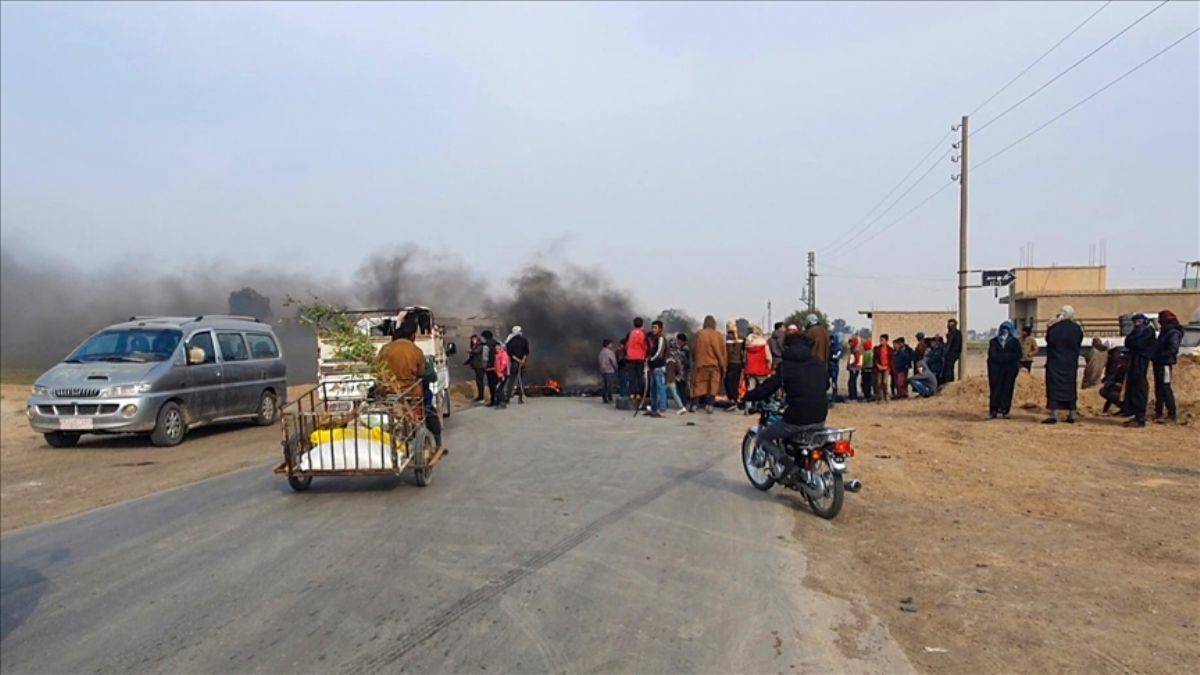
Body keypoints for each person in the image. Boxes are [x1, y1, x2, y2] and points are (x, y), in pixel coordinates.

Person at [743, 332, 829, 465]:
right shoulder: (820, 364)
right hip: (820, 417)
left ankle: (786, 464)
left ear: (786, 347)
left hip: (796, 419)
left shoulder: (785, 367)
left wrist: (746, 396)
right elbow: (826, 385)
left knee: (763, 437)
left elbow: (766, 389)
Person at [1043, 306, 1084, 424]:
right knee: (1070, 387)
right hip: (1070, 363)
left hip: (1055, 363)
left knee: (1054, 387)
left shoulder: (1054, 328)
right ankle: (1072, 414)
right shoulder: (1076, 328)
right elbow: (1079, 342)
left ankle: (1054, 414)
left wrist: (1050, 325)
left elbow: (1049, 340)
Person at [1122, 313, 1156, 427]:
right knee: (1133, 388)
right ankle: (1135, 414)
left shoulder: (1148, 331)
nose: (1136, 323)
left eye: (1139, 321)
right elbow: (1127, 342)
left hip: (1141, 362)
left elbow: (1139, 344)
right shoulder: (1136, 332)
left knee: (1140, 388)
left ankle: (1140, 417)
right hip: (1134, 362)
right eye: (1135, 321)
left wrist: (1134, 343)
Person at [1151, 310, 1184, 424]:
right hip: (1158, 363)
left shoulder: (1173, 333)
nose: (1159, 323)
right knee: (1159, 389)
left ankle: (1171, 414)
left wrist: (1160, 355)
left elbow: (1172, 349)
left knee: (1165, 388)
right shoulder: (1165, 332)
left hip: (1165, 363)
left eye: (1161, 320)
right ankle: (1159, 412)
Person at [690, 315, 728, 414]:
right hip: (714, 366)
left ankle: (694, 405)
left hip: (701, 364)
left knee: (698, 385)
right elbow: (722, 352)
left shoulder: (699, 334)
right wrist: (723, 365)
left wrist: (695, 360)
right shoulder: (718, 335)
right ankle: (710, 405)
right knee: (713, 386)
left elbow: (693, 349)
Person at [986, 320, 1022, 419]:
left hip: (1010, 370)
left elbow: (1018, 355)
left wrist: (1003, 357)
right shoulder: (994, 341)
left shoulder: (1014, 342)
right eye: (1003, 329)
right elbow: (993, 355)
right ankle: (993, 410)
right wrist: (1006, 357)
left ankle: (1005, 410)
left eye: (1007, 329)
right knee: (995, 390)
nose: (1005, 331)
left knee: (1007, 389)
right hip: (996, 371)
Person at [645, 320, 668, 418]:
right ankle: (654, 409)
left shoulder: (661, 338)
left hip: (659, 367)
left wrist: (651, 358)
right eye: (652, 327)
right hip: (653, 367)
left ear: (660, 329)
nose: (653, 329)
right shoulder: (654, 339)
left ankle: (662, 410)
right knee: (653, 389)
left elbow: (659, 352)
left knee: (660, 389)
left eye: (655, 327)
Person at [504, 326, 530, 405]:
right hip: (522, 363)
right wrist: (522, 360)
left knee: (511, 381)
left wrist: (518, 360)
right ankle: (520, 399)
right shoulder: (524, 340)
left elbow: (510, 354)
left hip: (514, 363)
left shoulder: (510, 341)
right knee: (521, 381)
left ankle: (507, 398)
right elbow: (526, 352)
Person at [1099, 345, 1129, 415]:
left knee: (1110, 392)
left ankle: (1125, 408)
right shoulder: (1119, 365)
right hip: (1116, 386)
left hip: (1124, 389)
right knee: (1107, 391)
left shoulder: (1125, 366)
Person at [744, 325, 773, 393]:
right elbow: (768, 358)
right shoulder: (764, 345)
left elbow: (745, 359)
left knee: (750, 389)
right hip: (762, 370)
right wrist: (769, 367)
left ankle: (749, 403)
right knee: (763, 390)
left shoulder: (748, 345)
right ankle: (761, 403)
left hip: (750, 370)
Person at [625, 318, 648, 402]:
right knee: (639, 376)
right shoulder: (643, 334)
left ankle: (632, 394)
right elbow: (645, 346)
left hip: (631, 357)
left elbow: (627, 345)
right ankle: (638, 394)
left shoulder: (630, 333)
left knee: (632, 376)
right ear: (642, 324)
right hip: (640, 358)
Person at [664, 338, 688, 415]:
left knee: (663, 392)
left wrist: (679, 377)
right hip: (671, 377)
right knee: (669, 393)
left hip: (669, 378)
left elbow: (679, 367)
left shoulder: (670, 355)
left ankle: (681, 407)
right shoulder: (677, 354)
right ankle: (660, 406)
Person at [724, 322, 745, 409]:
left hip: (731, 362)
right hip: (739, 363)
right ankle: (736, 398)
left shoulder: (728, 337)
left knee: (728, 381)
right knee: (736, 382)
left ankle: (732, 399)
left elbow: (728, 352)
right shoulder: (741, 337)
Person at [481, 330, 503, 407]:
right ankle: (500, 400)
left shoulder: (486, 345)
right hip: (499, 367)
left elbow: (485, 358)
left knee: (491, 384)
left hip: (490, 368)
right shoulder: (498, 343)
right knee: (498, 383)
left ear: (485, 337)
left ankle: (493, 400)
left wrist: (484, 366)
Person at [464, 334, 486, 402]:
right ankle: (480, 396)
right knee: (478, 381)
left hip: (480, 366)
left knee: (480, 381)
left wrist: (470, 351)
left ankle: (481, 397)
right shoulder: (475, 346)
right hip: (477, 366)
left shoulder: (480, 345)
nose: (473, 341)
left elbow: (477, 352)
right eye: (472, 340)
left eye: (474, 339)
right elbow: (472, 357)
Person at [598, 339, 618, 403]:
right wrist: (616, 367)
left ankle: (604, 396)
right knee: (609, 384)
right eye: (610, 344)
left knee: (605, 384)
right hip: (609, 370)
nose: (611, 345)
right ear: (607, 345)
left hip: (603, 370)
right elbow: (613, 361)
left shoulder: (601, 352)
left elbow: (599, 361)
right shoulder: (610, 352)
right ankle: (609, 396)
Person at [943, 318, 963, 384]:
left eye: (951, 324)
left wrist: (949, 353)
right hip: (949, 353)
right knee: (947, 368)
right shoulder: (950, 333)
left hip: (953, 353)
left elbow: (955, 345)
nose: (949, 326)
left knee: (949, 368)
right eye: (949, 324)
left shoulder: (957, 333)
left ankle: (949, 382)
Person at [873, 335, 892, 402]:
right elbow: (875, 359)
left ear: (886, 341)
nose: (881, 341)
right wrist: (878, 365)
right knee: (878, 382)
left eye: (882, 340)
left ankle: (886, 395)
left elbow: (891, 360)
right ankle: (880, 397)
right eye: (880, 340)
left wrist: (888, 366)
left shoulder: (890, 349)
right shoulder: (877, 349)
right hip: (879, 368)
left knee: (885, 382)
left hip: (887, 368)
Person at [676, 333, 692, 408]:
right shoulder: (682, 348)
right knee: (681, 388)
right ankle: (683, 403)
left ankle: (684, 403)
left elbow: (686, 362)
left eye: (678, 340)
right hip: (681, 372)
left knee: (683, 388)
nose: (677, 342)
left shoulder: (685, 349)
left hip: (684, 372)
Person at [493, 343, 511, 409]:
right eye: (496, 349)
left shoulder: (503, 354)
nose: (497, 350)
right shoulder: (499, 355)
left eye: (498, 348)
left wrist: (501, 374)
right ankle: (499, 402)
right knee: (499, 388)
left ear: (501, 348)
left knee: (498, 389)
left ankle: (502, 403)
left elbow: (504, 365)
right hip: (500, 374)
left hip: (503, 374)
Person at [846, 335, 863, 401]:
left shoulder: (856, 350)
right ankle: (852, 396)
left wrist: (850, 365)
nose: (850, 344)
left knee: (852, 382)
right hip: (853, 368)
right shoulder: (852, 349)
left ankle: (853, 397)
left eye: (851, 342)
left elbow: (857, 360)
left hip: (854, 369)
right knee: (851, 382)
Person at [828, 332, 844, 402]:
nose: (831, 341)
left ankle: (834, 396)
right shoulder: (829, 347)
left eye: (833, 339)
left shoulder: (839, 348)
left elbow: (836, 357)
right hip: (828, 367)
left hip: (834, 367)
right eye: (831, 339)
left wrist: (830, 356)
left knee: (834, 382)